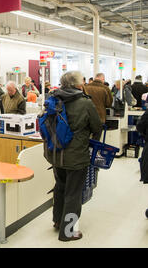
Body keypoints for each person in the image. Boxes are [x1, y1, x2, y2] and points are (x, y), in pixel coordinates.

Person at [43, 71, 102, 242]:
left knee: (60, 187)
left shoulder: (53, 98)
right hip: (76, 156)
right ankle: (68, 232)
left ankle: (57, 221)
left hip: (55, 154)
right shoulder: (84, 102)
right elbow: (97, 126)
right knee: (73, 193)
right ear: (78, 84)